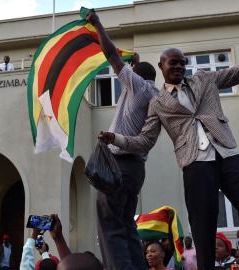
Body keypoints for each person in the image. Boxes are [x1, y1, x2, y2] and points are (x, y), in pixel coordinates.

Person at [99, 34, 239, 269]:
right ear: (162, 66)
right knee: (203, 227)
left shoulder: (204, 79)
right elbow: (144, 141)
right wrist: (117, 139)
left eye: (183, 62)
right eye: (174, 62)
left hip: (227, 154)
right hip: (195, 164)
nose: (180, 66)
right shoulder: (157, 103)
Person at [86, 11, 159, 270]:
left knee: (110, 226)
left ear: (134, 75)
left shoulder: (136, 86)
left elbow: (111, 56)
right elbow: (131, 66)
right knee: (127, 225)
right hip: (136, 170)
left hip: (119, 165)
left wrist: (97, 24)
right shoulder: (156, 94)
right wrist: (135, 61)